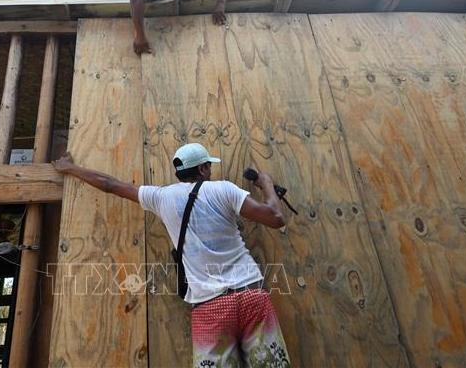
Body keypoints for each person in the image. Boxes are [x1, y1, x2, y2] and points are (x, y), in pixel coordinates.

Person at [52, 143, 291, 367]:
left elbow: (110, 184)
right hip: (251, 295)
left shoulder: (161, 197)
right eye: (209, 165)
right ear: (203, 168)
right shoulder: (224, 190)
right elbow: (275, 217)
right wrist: (266, 184)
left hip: (210, 306)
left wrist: (70, 168)